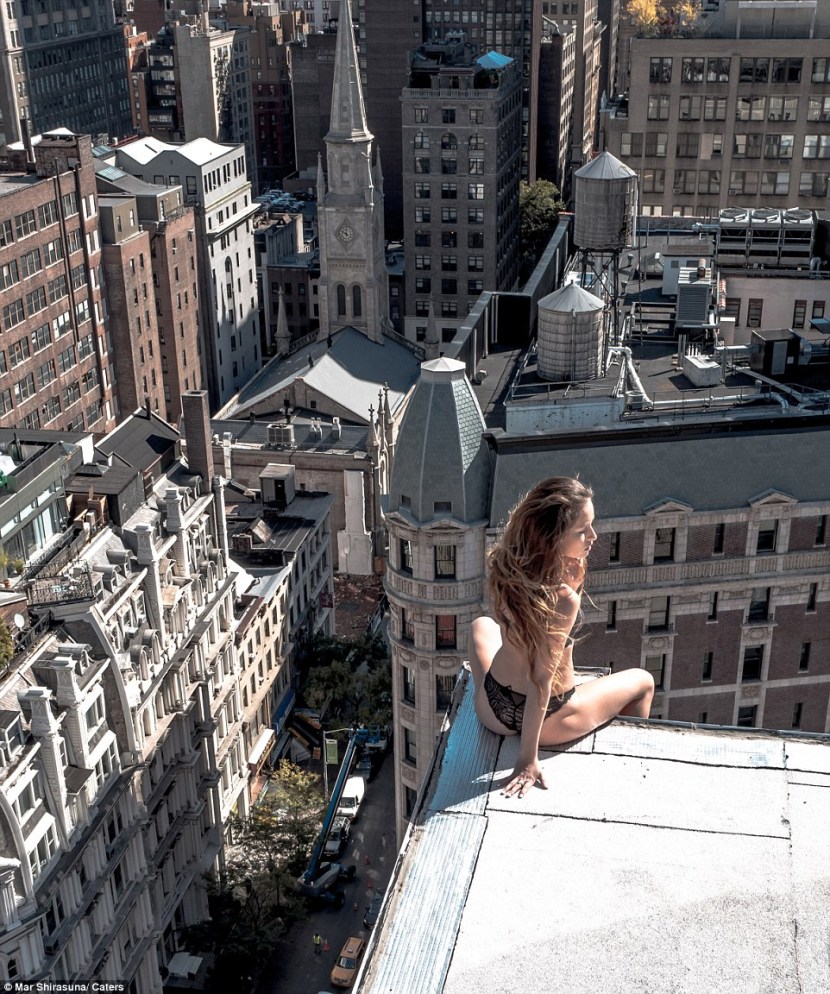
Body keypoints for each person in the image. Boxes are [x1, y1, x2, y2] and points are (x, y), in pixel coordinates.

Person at [468, 477, 654, 799]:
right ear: (553, 539)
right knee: (644, 681)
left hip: (492, 708)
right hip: (551, 720)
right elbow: (542, 679)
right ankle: (631, 772)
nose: (593, 537)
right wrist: (526, 760)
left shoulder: (505, 565)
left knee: (481, 625)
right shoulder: (564, 599)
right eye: (583, 531)